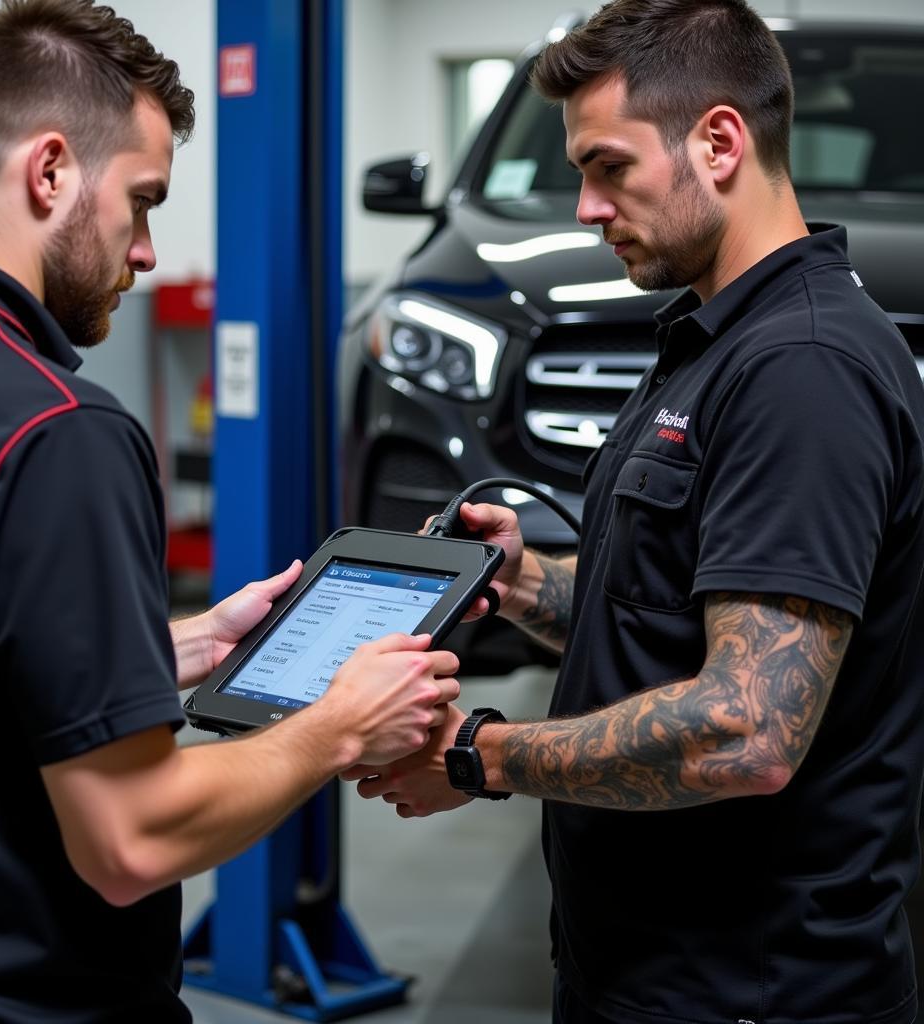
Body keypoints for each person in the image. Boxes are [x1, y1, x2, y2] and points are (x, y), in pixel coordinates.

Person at [343, 2, 924, 1022]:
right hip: (648, 970)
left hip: (751, 990)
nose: (584, 208)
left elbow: (746, 731)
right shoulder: (713, 341)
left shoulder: (802, 369)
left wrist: (480, 754)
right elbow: (666, 612)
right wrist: (526, 582)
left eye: (609, 167)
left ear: (718, 141)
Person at [0, 2, 460, 1020]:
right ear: (52, 170)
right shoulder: (55, 431)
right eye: (143, 201)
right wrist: (338, 726)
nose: (147, 250)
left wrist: (173, 646)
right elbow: (129, 842)